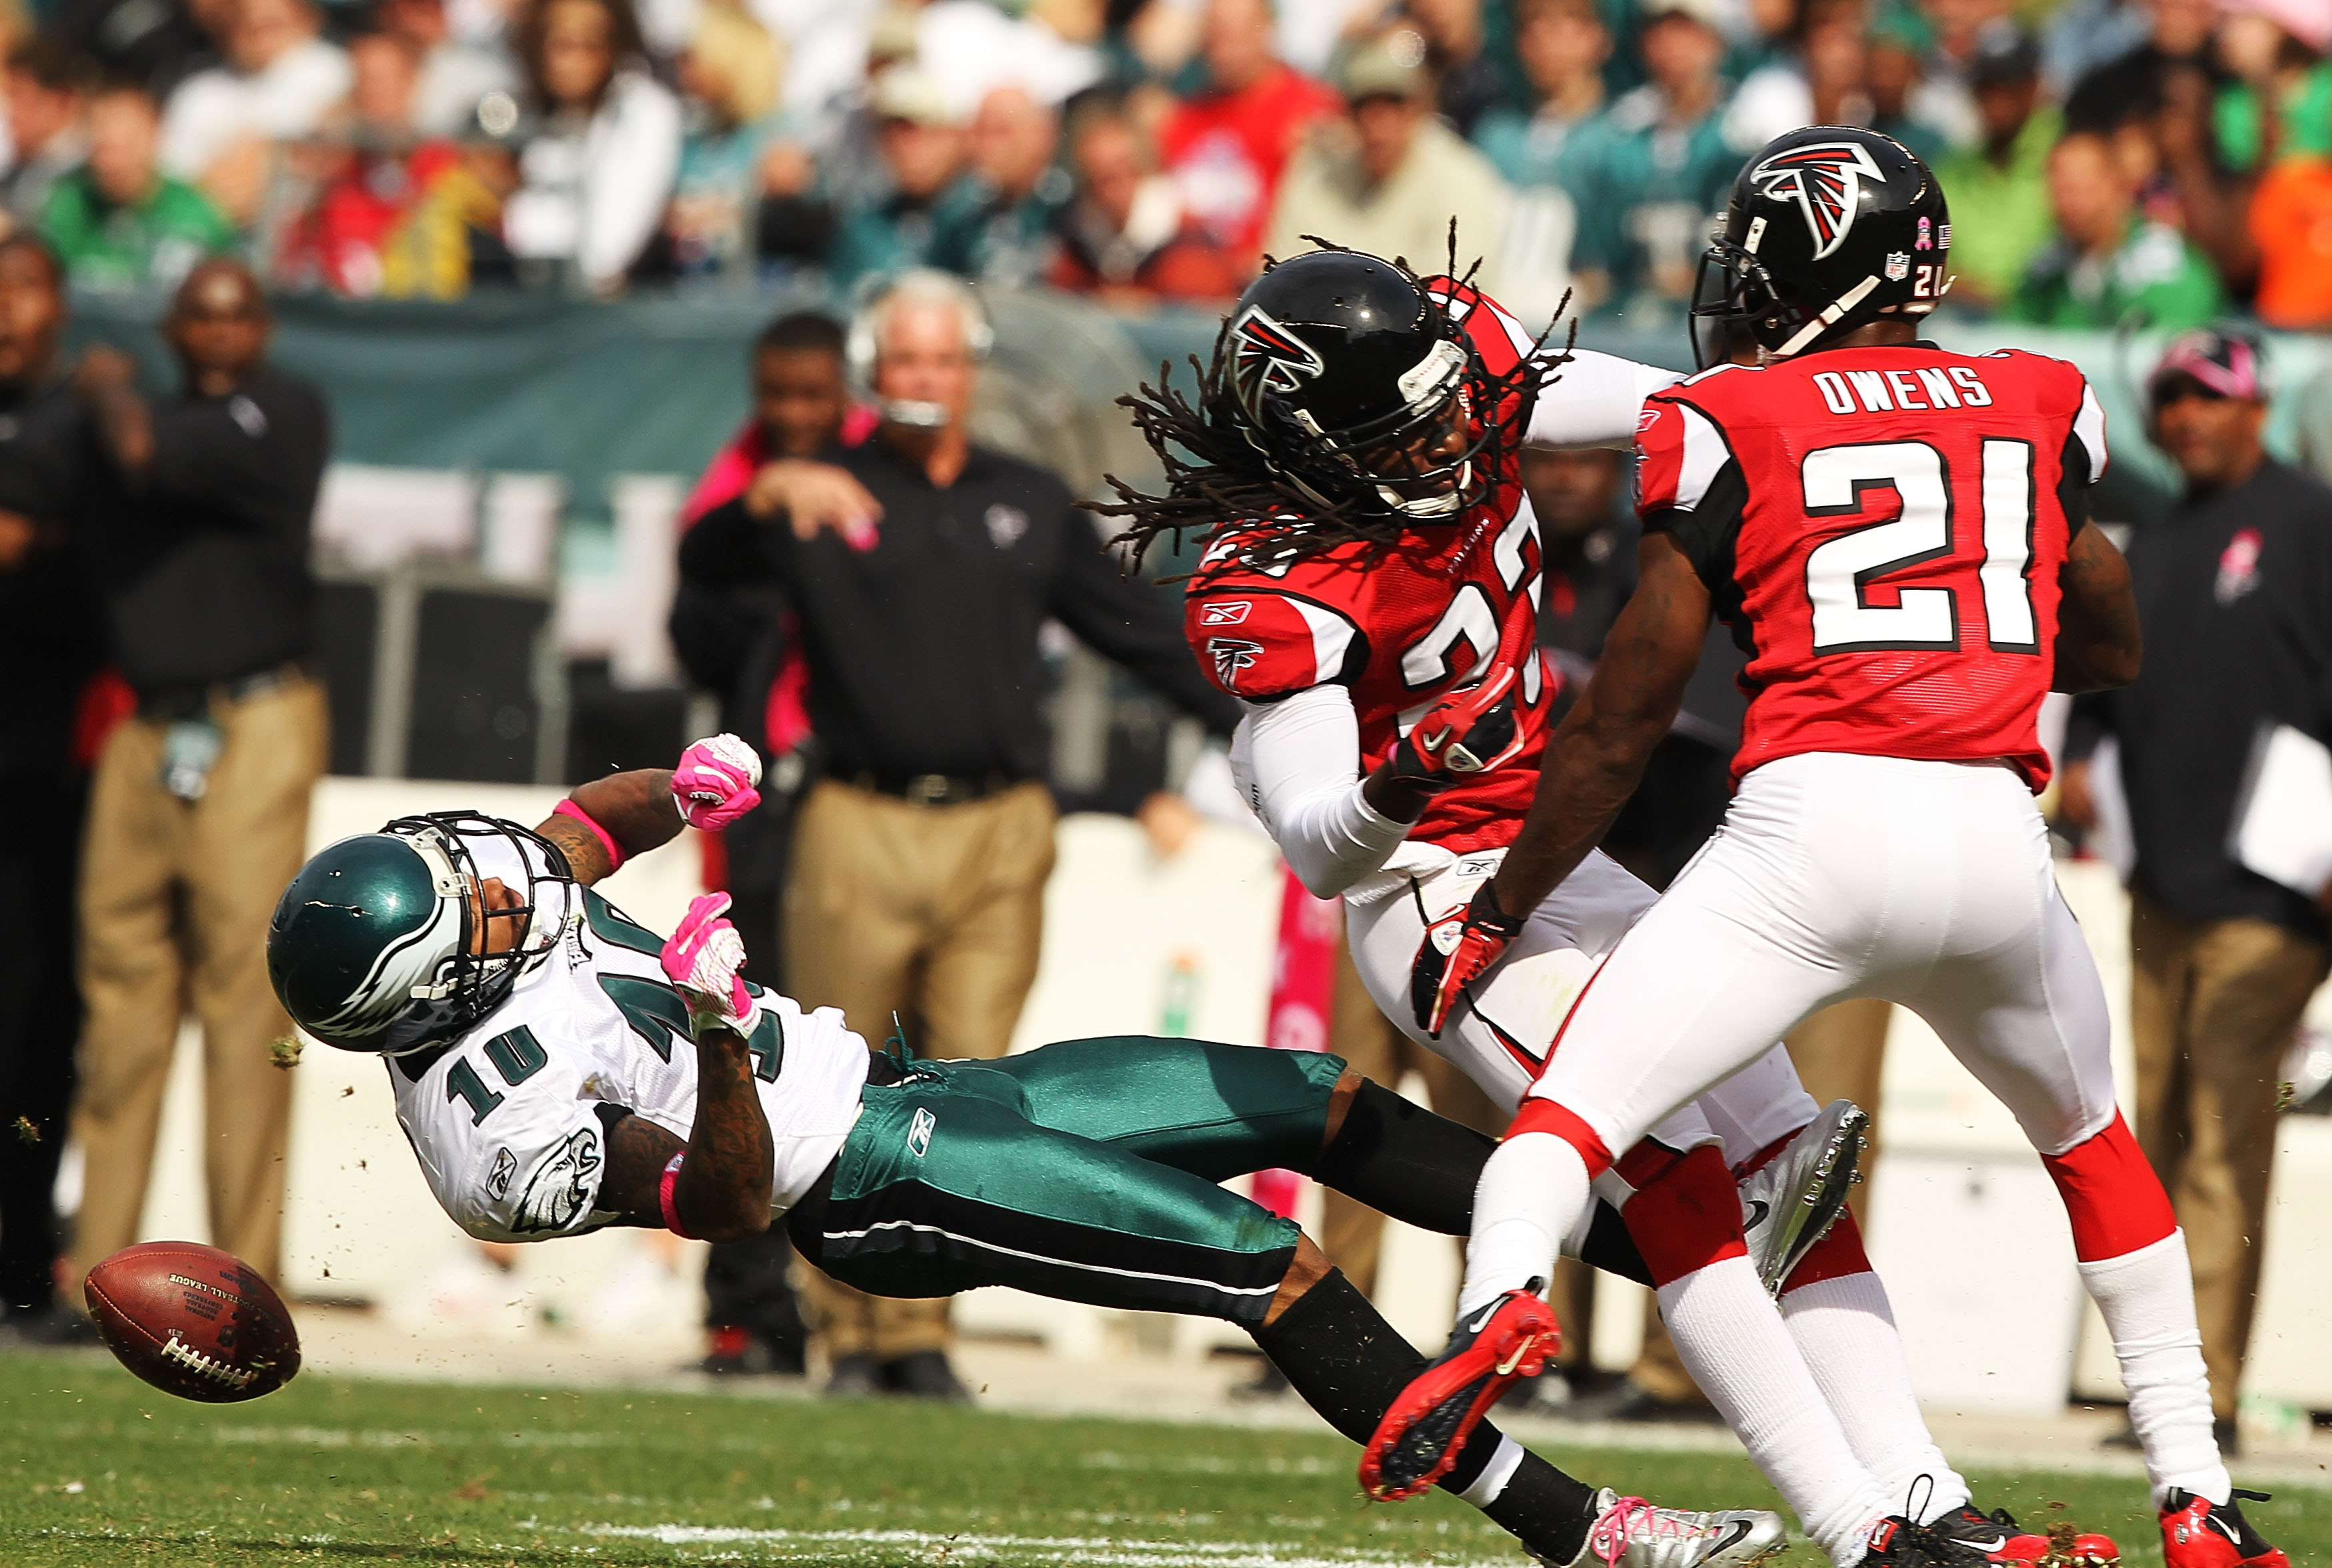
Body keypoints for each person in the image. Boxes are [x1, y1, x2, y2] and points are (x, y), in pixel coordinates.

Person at [1389, 125, 2286, 1568]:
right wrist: (1982, 629)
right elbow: (2111, 634)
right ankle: (2197, 1498)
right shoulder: (2034, 393)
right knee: (2096, 1150)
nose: (1739, 291)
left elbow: (1625, 715)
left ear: (1816, 263)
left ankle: (1496, 1308)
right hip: (1992, 839)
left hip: (1809, 836)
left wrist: (1501, 907)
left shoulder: (1730, 414)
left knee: (1568, 1123)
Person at [1107, 246, 2063, 1567]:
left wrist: (1807, 417)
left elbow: (1682, 404)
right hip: (1433, 894)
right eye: (1408, 431)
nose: (1455, 439)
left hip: (1561, 857)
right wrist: (1403, 775)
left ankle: (1928, 1496)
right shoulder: (1276, 578)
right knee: (1678, 1182)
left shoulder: (1472, 373)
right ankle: (1860, 1531)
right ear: (1320, 446)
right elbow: (1324, 853)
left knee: (1790, 1166)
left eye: (1456, 404)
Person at [263, 746, 1789, 1568]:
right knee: (1263, 1261)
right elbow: (716, 1199)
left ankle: (1689, 1252)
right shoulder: (495, 1133)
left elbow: (571, 839)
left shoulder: (475, 904)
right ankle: (1580, 1532)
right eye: (474, 916)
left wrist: (681, 787)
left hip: (911, 1086)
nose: (500, 893)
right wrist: (720, 1035)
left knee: (1315, 1100)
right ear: (434, 997)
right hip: (865, 1184)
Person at [677, 271, 1244, 1401]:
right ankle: (849, 1333)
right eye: (903, 360)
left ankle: (920, 1330)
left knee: (967, 1088)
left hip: (998, 827)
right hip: (857, 818)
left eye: (941, 359)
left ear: (972, 368)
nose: (924, 379)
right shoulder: (823, 493)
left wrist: (1260, 720)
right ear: (870, 371)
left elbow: (1136, 631)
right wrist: (759, 495)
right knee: (845, 1084)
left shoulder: (1027, 498)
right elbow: (703, 582)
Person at [2059, 327, 2332, 1457]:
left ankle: (2205, 1394)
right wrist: (2080, 750)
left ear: (2255, 406)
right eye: (2169, 399)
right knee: (2153, 1145)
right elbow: (2103, 674)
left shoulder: (2311, 520)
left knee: (2220, 1131)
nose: (2184, 417)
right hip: (2159, 887)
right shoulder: (2159, 540)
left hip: (2273, 896)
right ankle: (2165, 1390)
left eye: (2206, 397)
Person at [65, 258, 331, 1301]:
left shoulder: (279, 413)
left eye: (238, 315)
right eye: (200, 317)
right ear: (173, 329)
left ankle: (246, 1283)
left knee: (245, 997)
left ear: (263, 329)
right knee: (119, 1002)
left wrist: (102, 386)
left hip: (255, 718)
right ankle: (97, 1277)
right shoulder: (144, 424)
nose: (220, 333)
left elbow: (140, 448)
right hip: (145, 726)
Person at [667, 309, 869, 1379]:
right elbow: (691, 628)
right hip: (759, 816)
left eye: (811, 394)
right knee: (740, 1046)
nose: (793, 414)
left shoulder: (880, 475)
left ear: (844, 390)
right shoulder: (732, 489)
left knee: (853, 1053)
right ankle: (747, 1309)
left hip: (861, 813)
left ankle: (863, 1316)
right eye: (776, 394)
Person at [0, 235, 105, 1345]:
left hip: (44, 776)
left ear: (59, 309)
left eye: (23, 290)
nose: (3, 311)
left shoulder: (78, 427)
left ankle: (24, 1259)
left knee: (36, 1021)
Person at [1261, 37, 1511, 296]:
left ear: (1419, 109)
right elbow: (1280, 278)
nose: (1378, 123)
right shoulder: (1317, 176)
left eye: (1393, 105)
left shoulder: (1461, 178)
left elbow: (1447, 298)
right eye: (1364, 106)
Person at [1559, 0, 1737, 318]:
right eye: (1661, 33)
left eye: (1685, 32)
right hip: (1630, 308)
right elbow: (1594, 252)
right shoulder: (1618, 133)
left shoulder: (1743, 128)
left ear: (1715, 41)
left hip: (1717, 310)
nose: (1672, 46)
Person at [500, 0, 681, 293]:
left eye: (588, 44)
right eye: (558, 43)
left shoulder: (643, 111)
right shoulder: (529, 110)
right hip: (529, 293)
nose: (570, 60)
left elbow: (608, 251)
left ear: (615, 47)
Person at [1157, 0, 1339, 275]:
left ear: (1266, 31)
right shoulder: (1182, 118)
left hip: (1272, 277)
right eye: (1214, 35)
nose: (1222, 49)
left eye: (1233, 34)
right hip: (1189, 279)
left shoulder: (1309, 110)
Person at [160, 0, 353, 229]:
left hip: (310, 228)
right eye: (247, 25)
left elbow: (330, 150)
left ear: (307, 22)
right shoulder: (198, 95)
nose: (259, 35)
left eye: (272, 24)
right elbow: (173, 184)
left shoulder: (332, 69)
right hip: (217, 229)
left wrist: (261, 158)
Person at [2009, 128, 2221, 331]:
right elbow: (2012, 332)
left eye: (2081, 188)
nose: (2068, 202)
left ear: (2118, 187)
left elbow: (2169, 341)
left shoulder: (2162, 264)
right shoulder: (2045, 270)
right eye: (2059, 189)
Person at [41, 82, 235, 293]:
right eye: (102, 148)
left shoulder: (197, 217)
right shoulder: (68, 208)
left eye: (124, 147)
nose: (112, 163)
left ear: (155, 135)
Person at [1045, 101, 1241, 307]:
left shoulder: (1186, 238)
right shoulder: (1078, 236)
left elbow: (1201, 312)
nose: (1112, 190)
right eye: (1099, 179)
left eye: (1123, 172)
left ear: (1145, 167)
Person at [1932, 23, 2058, 311]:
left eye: (2007, 87)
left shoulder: (2065, 153)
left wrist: (2004, 297)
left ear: (2034, 86)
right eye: (1985, 87)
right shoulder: (1953, 170)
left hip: (2048, 313)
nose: (1995, 100)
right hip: (1962, 315)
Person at [822, 67, 981, 291]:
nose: (908, 149)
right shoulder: (865, 227)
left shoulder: (983, 219)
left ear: (959, 137)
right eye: (896, 133)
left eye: (926, 132)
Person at [1, 39, 93, 229]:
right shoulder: (19, 168)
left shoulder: (91, 172)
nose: (11, 112)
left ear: (59, 101)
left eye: (19, 95)